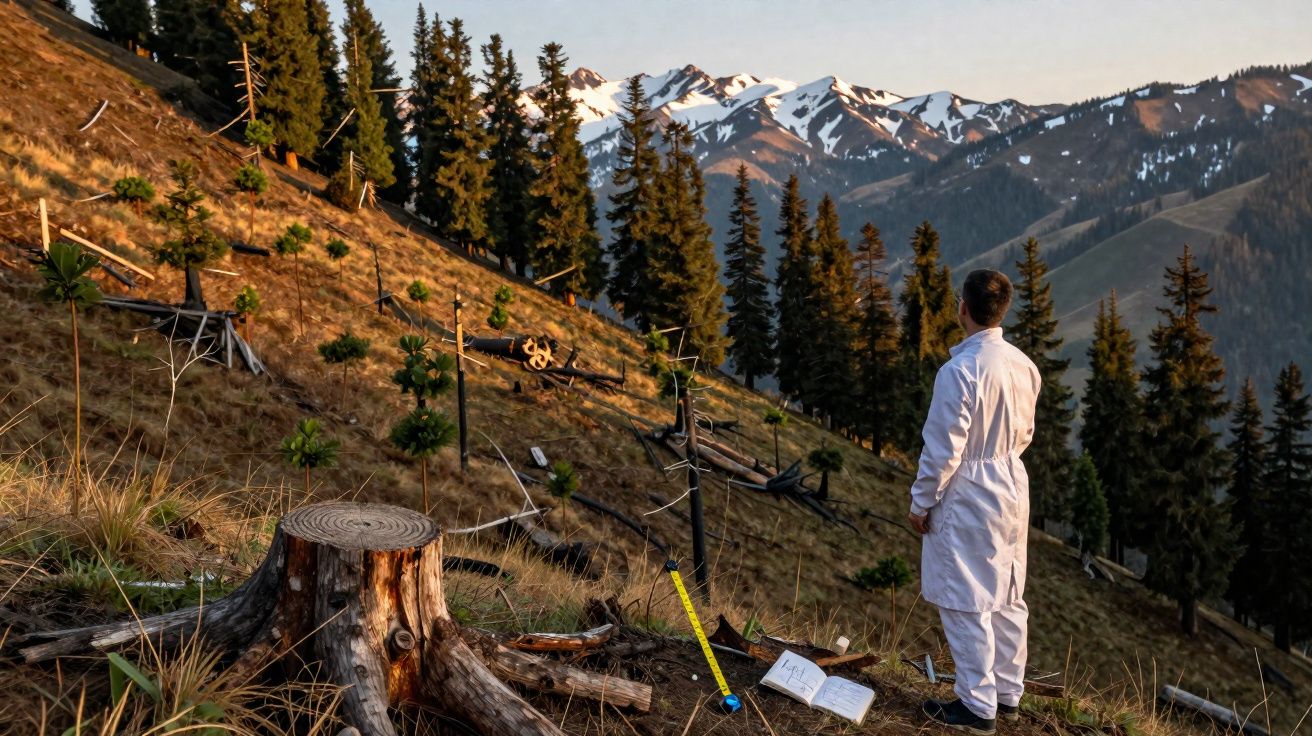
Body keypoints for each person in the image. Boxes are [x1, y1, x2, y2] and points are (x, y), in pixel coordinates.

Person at [907, 269, 1041, 736]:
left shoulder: (959, 371)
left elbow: (943, 449)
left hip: (968, 488)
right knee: (1006, 590)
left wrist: (921, 502)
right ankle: (1008, 693)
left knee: (965, 595)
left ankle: (976, 704)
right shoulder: (1024, 365)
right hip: (1011, 480)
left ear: (962, 308)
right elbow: (1025, 433)